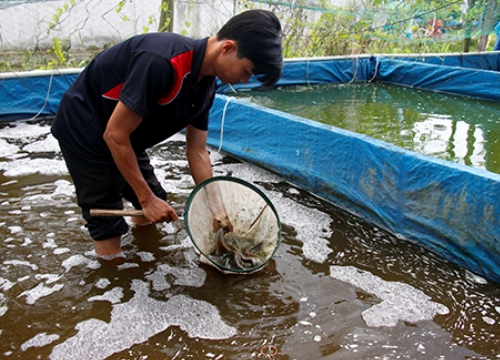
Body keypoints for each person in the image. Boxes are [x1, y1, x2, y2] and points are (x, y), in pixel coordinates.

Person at [51, 10, 283, 260]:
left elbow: (197, 151)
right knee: (108, 224)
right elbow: (114, 135)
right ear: (227, 47)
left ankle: (142, 262)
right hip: (87, 131)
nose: (243, 80)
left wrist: (216, 208)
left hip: (128, 135)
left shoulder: (207, 87)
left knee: (155, 202)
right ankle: (112, 274)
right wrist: (145, 198)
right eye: (247, 70)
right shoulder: (162, 61)